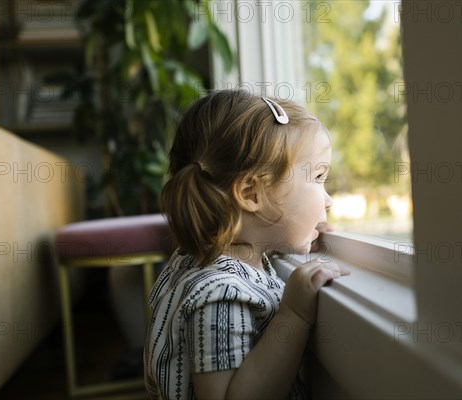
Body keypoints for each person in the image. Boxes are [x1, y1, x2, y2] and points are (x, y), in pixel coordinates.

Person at [144, 90, 350, 399]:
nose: (329, 200)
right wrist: (293, 315)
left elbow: (253, 239)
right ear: (252, 193)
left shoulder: (197, 259)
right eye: (318, 177)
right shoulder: (220, 296)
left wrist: (290, 237)